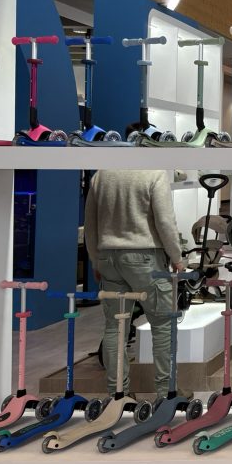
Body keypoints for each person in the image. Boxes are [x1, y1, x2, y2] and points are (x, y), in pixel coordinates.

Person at [84, 169, 183, 398]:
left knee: (115, 326)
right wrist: (176, 257)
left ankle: (118, 395)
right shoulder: (154, 174)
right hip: (145, 256)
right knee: (163, 324)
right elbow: (165, 221)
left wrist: (95, 260)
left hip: (108, 257)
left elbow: (90, 224)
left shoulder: (101, 176)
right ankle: (166, 392)